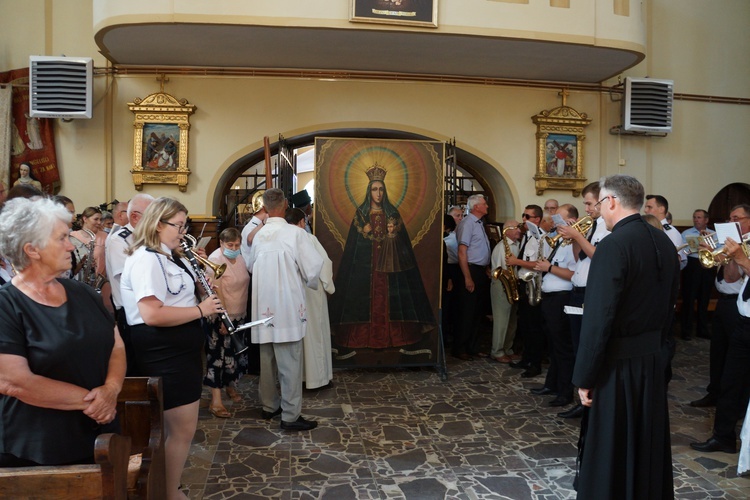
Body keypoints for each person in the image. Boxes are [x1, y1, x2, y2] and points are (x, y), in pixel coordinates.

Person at [573, 174, 679, 499]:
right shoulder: (663, 241)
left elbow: (598, 318)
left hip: (616, 367)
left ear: (613, 202)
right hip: (652, 359)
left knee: (611, 448)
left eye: (601, 204)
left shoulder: (614, 245)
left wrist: (584, 376)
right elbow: (671, 307)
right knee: (645, 443)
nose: (601, 212)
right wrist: (664, 359)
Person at [0, 197, 125, 466]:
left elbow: (116, 345)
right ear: (32, 250)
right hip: (38, 446)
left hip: (99, 434)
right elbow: (15, 381)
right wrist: (95, 402)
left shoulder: (83, 293)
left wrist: (112, 389)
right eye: (61, 238)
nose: (71, 246)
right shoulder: (6, 305)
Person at [120, 197, 224, 499]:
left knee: (178, 430)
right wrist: (202, 310)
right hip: (164, 353)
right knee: (180, 430)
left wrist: (204, 284)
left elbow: (178, 297)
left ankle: (167, 488)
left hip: (179, 352)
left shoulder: (168, 256)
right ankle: (168, 492)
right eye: (178, 225)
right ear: (156, 223)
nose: (183, 231)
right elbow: (152, 314)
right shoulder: (146, 258)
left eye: (185, 224)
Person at [330, 164, 435, 351]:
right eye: (374, 189)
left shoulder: (393, 213)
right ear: (368, 191)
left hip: (390, 266)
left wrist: (391, 236)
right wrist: (363, 231)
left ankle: (396, 338)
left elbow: (403, 246)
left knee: (393, 300)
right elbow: (352, 249)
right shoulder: (361, 214)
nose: (378, 194)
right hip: (364, 267)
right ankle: (361, 339)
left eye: (381, 189)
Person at [248, 188, 324, 431]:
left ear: (266, 208)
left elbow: (251, 266)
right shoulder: (295, 233)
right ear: (284, 205)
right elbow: (313, 269)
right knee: (290, 360)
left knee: (267, 358)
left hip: (263, 308)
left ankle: (269, 406)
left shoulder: (258, 236)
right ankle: (290, 416)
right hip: (287, 306)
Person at [690, 210, 750, 454]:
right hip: (743, 321)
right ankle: (723, 437)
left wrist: (739, 257)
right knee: (730, 381)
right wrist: (726, 256)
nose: (733, 221)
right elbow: (732, 275)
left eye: (738, 218)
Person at [553, 182, 610, 419]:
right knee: (578, 347)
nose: (586, 208)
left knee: (588, 349)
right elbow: (579, 258)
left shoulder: (608, 226)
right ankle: (582, 400)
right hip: (578, 288)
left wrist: (577, 234)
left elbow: (600, 257)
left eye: (589, 203)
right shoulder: (593, 225)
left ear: (602, 201)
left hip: (591, 292)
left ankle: (592, 402)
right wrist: (575, 236)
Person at [530, 204, 578, 407]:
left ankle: (565, 391)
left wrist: (548, 267)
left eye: (560, 219)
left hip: (562, 298)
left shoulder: (575, 243)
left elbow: (574, 274)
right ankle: (552, 383)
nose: (556, 223)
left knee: (563, 347)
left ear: (572, 221)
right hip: (550, 299)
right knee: (553, 346)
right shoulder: (562, 242)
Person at [285, 207, 336, 390]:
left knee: (296, 335)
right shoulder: (308, 238)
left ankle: (297, 378)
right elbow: (323, 263)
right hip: (311, 292)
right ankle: (317, 379)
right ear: (301, 222)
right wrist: (328, 285)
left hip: (290, 293)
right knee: (315, 333)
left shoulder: (282, 238)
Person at [203, 227, 250, 418]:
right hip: (221, 316)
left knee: (233, 355)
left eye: (237, 244)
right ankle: (216, 400)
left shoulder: (239, 256)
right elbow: (216, 291)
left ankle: (230, 387)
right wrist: (224, 318)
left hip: (239, 314)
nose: (234, 248)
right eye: (230, 245)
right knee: (218, 357)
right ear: (221, 243)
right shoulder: (215, 260)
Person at [104, 193, 154, 374]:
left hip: (149, 310)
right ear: (135, 217)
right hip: (131, 311)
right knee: (134, 367)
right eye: (152, 216)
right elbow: (130, 276)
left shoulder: (147, 238)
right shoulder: (120, 239)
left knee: (149, 366)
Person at [507, 204, 545, 377]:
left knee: (534, 327)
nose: (524, 219)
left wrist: (517, 262)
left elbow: (539, 264)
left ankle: (535, 363)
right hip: (524, 283)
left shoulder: (541, 238)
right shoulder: (527, 236)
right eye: (523, 215)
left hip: (534, 286)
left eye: (527, 216)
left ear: (537, 219)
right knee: (525, 325)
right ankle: (526, 358)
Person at [452, 193, 491, 360]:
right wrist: (468, 277)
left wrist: (486, 266)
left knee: (477, 311)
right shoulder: (468, 224)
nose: (487, 206)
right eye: (484, 204)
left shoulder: (478, 223)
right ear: (476, 207)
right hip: (470, 270)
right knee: (467, 311)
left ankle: (472, 347)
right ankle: (460, 348)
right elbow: (462, 252)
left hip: (480, 271)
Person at [489, 218, 521, 362]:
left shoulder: (516, 244)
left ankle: (508, 348)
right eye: (516, 228)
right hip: (502, 285)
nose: (519, 230)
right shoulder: (503, 246)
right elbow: (501, 270)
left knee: (512, 319)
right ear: (507, 231)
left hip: (512, 285)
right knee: (501, 320)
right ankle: (497, 351)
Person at [680, 209, 715, 340]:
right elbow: (682, 250)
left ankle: (703, 329)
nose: (696, 220)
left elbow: (718, 250)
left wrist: (709, 246)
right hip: (692, 265)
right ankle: (686, 330)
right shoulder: (686, 233)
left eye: (699, 217)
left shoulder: (713, 234)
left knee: (704, 298)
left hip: (708, 266)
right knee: (689, 298)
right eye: (694, 217)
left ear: (706, 220)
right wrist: (691, 248)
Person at [644, 194, 687, 270]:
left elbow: (676, 260)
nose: (645, 210)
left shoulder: (670, 232)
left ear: (661, 209)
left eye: (649, 207)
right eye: (646, 207)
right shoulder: (647, 228)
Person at [69, 206, 103, 283]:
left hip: (98, 281)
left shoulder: (105, 236)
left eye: (100, 219)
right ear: (85, 219)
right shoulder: (72, 236)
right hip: (78, 280)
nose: (99, 222)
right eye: (96, 219)